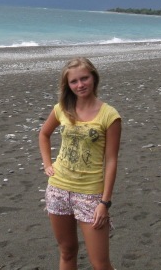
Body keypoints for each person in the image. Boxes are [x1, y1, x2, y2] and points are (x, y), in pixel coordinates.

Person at [39, 57, 122, 270]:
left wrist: (105, 203)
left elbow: (111, 160)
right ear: (68, 85)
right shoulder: (62, 109)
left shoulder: (109, 115)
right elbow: (44, 134)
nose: (80, 85)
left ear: (94, 77)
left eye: (84, 78)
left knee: (100, 263)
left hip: (90, 194)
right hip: (58, 189)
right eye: (74, 81)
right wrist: (47, 164)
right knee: (67, 252)